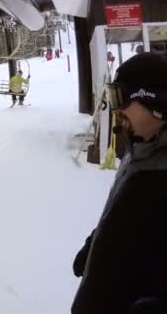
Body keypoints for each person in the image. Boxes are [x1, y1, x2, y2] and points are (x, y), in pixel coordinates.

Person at [71, 53, 167, 314]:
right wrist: (97, 242)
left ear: (156, 101)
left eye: (121, 98)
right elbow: (129, 214)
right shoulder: (141, 149)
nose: (116, 110)